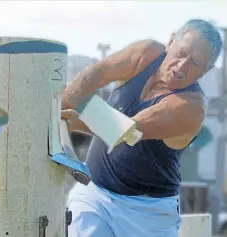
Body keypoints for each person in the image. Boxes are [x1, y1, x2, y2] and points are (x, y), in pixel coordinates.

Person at [61, 19, 222, 237]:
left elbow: (127, 129)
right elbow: (98, 72)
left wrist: (79, 119)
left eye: (195, 63)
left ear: (207, 70)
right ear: (171, 40)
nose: (182, 66)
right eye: (181, 53)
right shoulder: (146, 53)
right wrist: (62, 103)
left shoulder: (191, 108)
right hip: (94, 194)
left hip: (147, 215)